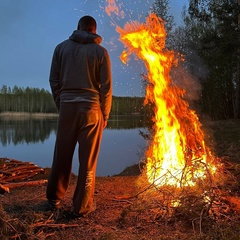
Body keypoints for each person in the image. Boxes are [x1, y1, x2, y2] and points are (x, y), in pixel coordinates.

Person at [46, 15, 112, 217]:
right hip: (91, 110)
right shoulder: (101, 52)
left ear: (78, 28)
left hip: (67, 106)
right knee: (88, 160)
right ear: (94, 30)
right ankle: (82, 205)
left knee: (62, 154)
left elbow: (53, 81)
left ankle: (54, 199)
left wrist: (62, 104)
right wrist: (105, 114)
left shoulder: (60, 48)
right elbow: (106, 88)